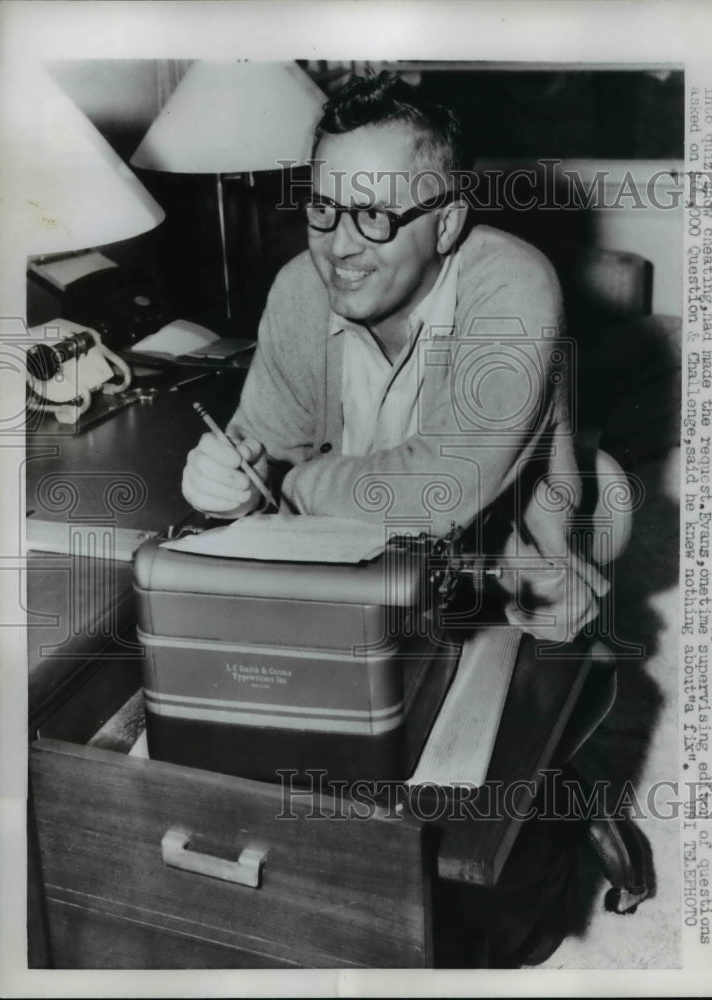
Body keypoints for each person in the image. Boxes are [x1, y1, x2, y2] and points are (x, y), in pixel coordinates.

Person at [182, 71, 607, 643]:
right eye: (322, 209)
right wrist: (230, 485)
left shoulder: (514, 283)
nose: (338, 245)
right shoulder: (299, 288)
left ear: (447, 224)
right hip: (356, 573)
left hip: (496, 578)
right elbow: (258, 452)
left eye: (374, 215)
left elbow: (441, 493)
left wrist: (293, 487)